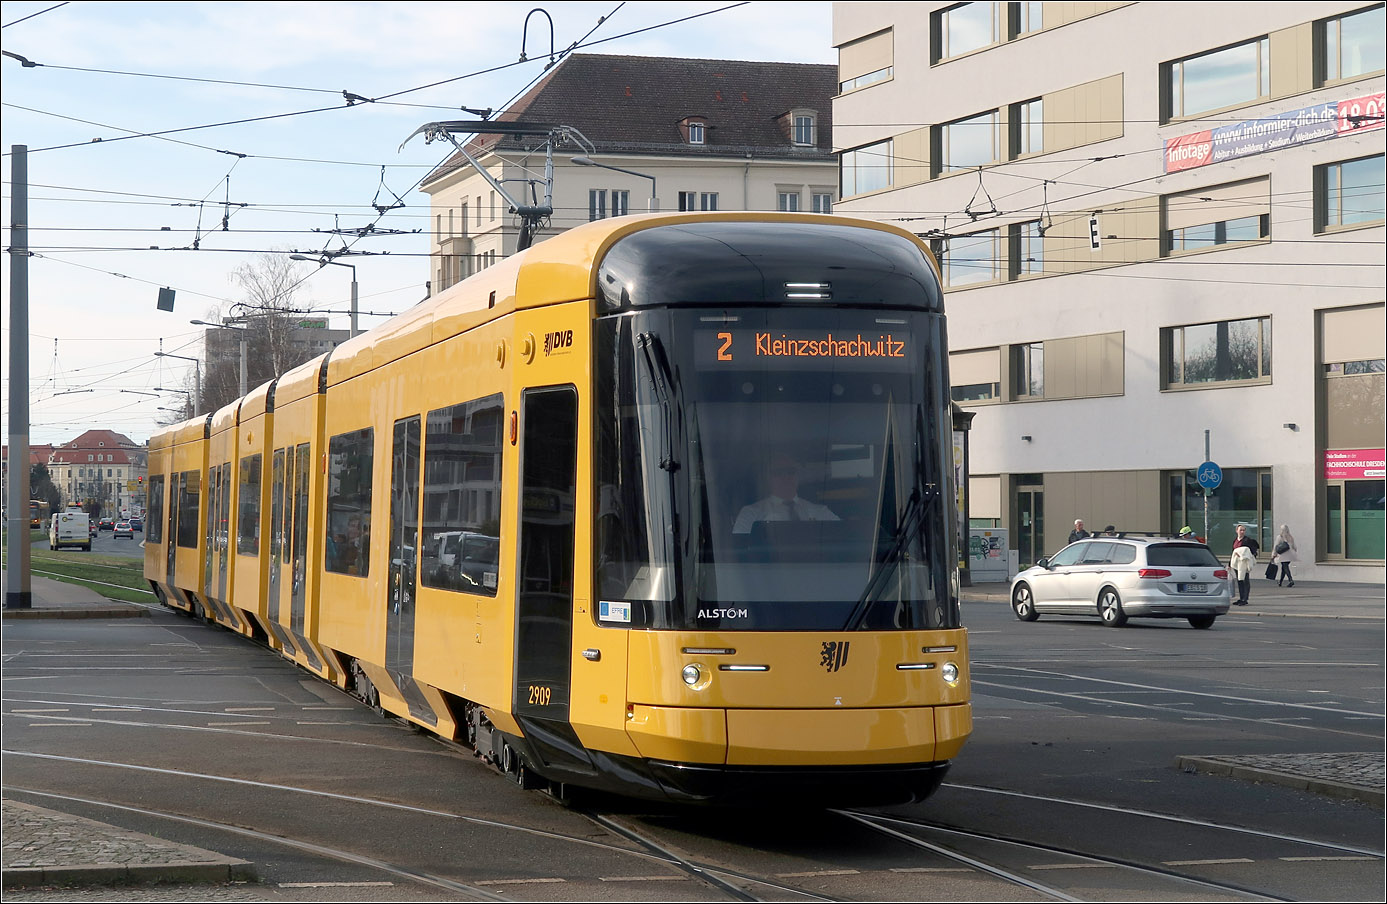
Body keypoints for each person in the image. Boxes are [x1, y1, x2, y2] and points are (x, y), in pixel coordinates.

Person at [733, 452, 839, 534]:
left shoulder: (820, 512)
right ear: (767, 478)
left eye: (791, 471)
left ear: (797, 476)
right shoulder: (751, 514)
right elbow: (740, 547)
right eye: (778, 472)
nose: (786, 477)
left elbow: (841, 536)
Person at [1230, 523, 1260, 605]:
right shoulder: (1235, 541)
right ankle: (1241, 598)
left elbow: (1253, 550)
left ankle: (1245, 599)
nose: (1242, 532)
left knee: (1245, 580)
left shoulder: (1247, 540)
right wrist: (1230, 564)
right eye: (1240, 530)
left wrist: (1245, 556)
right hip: (1236, 563)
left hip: (1244, 563)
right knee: (1239, 580)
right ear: (1237, 531)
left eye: (1243, 530)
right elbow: (1233, 553)